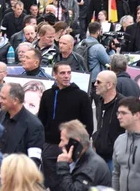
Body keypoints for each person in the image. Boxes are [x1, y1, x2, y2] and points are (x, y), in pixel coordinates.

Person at [38, 62, 93, 190]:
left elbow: (88, 125)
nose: (66, 76)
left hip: (71, 147)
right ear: (55, 75)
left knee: (68, 182)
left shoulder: (81, 96)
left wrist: (79, 147)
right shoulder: (47, 95)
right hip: (49, 145)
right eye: (62, 73)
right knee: (51, 183)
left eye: (69, 73)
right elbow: (41, 120)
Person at [0, 83, 45, 166]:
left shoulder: (34, 125)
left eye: (3, 98)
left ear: (15, 100)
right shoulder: (1, 115)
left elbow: (34, 161)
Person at [56, 119, 111, 190]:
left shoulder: (91, 167)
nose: (60, 145)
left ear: (74, 142)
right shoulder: (78, 160)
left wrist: (62, 167)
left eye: (62, 140)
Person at [93, 71, 125, 170]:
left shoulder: (122, 104)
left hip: (114, 158)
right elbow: (100, 125)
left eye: (98, 82)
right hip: (98, 155)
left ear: (109, 85)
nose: (95, 84)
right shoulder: (100, 101)